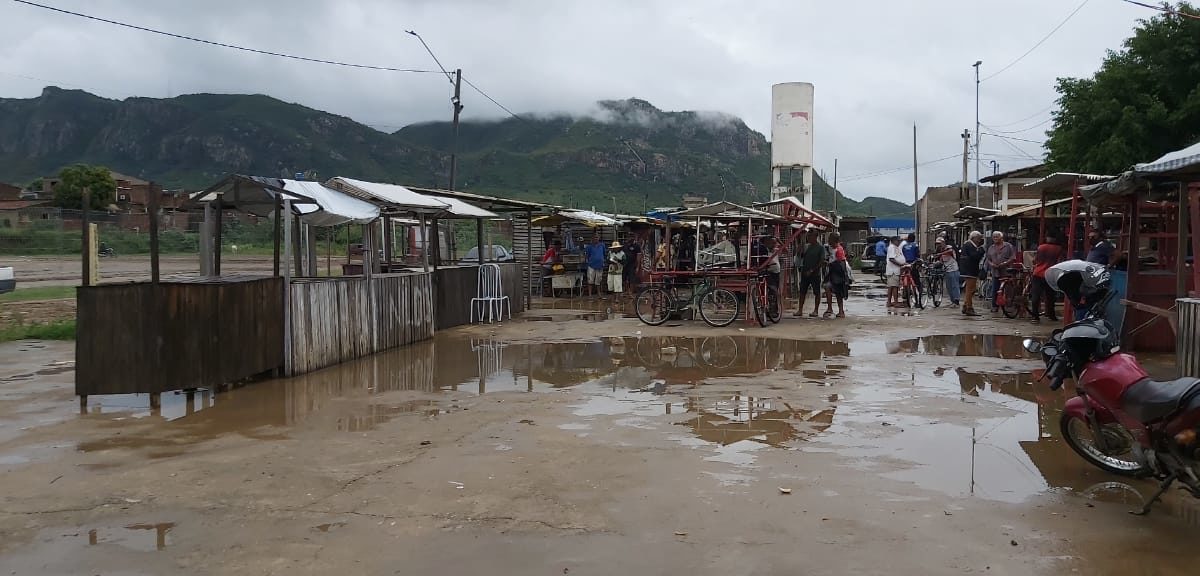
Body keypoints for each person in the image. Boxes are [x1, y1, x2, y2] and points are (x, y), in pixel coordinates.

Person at [1030, 232, 1063, 324]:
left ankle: (1035, 316)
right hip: (1050, 274)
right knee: (1050, 296)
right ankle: (1051, 315)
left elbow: (1035, 260)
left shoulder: (1041, 247)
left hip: (1038, 273)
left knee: (1036, 295)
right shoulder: (1058, 248)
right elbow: (1060, 261)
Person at [796, 230, 826, 318]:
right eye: (808, 236)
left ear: (815, 237)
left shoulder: (820, 248)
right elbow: (800, 256)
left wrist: (812, 270)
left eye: (810, 236)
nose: (808, 238)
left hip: (815, 273)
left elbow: (821, 261)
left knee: (816, 292)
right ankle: (800, 310)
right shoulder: (806, 246)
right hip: (805, 272)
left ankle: (816, 310)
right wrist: (799, 251)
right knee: (802, 292)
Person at [985, 230, 1016, 313]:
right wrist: (992, 264)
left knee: (1008, 289)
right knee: (995, 289)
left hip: (1007, 271)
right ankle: (995, 306)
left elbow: (1013, 257)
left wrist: (1004, 263)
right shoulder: (991, 247)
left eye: (997, 237)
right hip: (996, 272)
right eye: (994, 237)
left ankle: (1009, 306)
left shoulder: (1008, 246)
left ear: (1001, 238)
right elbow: (988, 259)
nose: (995, 238)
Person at [959, 231, 985, 316]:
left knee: (971, 289)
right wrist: (981, 250)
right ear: (974, 238)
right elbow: (975, 256)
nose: (979, 240)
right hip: (969, 270)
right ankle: (969, 307)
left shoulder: (968, 245)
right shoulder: (969, 245)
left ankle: (966, 305)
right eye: (978, 238)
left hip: (968, 270)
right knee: (970, 289)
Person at [823, 232, 849, 318]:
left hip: (838, 275)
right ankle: (830, 308)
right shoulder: (831, 248)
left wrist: (829, 264)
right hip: (832, 274)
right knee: (828, 288)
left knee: (838, 293)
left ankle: (840, 311)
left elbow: (840, 264)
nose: (828, 241)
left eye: (830, 240)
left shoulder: (839, 250)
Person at [934, 238, 961, 307]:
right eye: (937, 244)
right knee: (949, 287)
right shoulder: (940, 250)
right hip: (947, 270)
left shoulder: (949, 247)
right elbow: (942, 259)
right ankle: (953, 301)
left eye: (939, 244)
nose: (938, 245)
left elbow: (950, 251)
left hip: (954, 269)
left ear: (943, 243)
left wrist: (940, 254)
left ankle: (956, 301)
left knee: (954, 286)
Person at [901, 233, 922, 302]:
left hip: (905, 264)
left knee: (905, 278)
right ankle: (919, 294)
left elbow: (903, 254)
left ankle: (905, 292)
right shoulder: (915, 245)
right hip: (913, 264)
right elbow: (917, 255)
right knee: (916, 280)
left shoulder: (904, 246)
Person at [885, 236, 904, 308]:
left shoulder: (894, 247)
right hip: (893, 270)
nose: (899, 242)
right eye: (898, 241)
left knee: (891, 287)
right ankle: (895, 302)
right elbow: (891, 259)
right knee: (894, 286)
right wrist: (900, 264)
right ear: (894, 241)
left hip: (894, 270)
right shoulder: (892, 247)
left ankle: (889, 302)